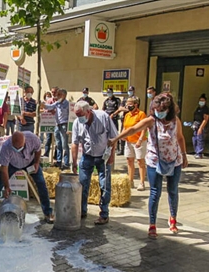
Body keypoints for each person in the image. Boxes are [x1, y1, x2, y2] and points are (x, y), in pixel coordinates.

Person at [109, 93, 188, 239]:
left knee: (172, 191)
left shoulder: (175, 121)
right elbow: (133, 129)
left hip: (174, 160)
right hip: (154, 160)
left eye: (162, 109)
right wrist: (116, 139)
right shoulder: (151, 120)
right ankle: (152, 224)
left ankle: (173, 219)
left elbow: (180, 138)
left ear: (169, 109)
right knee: (154, 192)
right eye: (156, 109)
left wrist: (184, 155)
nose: (159, 112)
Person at [0, 131, 55, 223]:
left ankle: (48, 213)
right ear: (11, 142)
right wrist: (7, 187)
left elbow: (38, 150)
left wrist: (36, 162)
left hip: (30, 162)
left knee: (41, 184)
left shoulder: (33, 139)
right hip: (13, 164)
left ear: (25, 141)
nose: (17, 149)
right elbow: (4, 169)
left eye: (20, 147)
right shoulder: (6, 147)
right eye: (15, 147)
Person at [71, 101, 117, 225]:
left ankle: (104, 214)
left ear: (89, 112)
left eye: (81, 115)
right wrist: (74, 162)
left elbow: (113, 137)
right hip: (87, 156)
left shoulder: (103, 117)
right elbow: (74, 143)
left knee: (104, 186)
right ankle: (82, 210)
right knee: (82, 184)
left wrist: (112, 155)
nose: (79, 118)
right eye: (77, 115)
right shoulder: (77, 123)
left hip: (103, 157)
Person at [121, 97, 147, 191]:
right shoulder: (127, 115)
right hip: (129, 141)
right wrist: (122, 136)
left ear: (136, 104)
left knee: (140, 161)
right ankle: (130, 181)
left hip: (139, 141)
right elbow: (125, 127)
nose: (128, 106)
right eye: (127, 104)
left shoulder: (141, 114)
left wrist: (140, 139)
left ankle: (142, 182)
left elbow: (144, 128)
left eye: (130, 104)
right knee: (129, 160)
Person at [42, 88, 70, 170]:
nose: (57, 96)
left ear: (64, 95)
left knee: (65, 145)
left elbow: (71, 115)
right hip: (57, 125)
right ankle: (58, 161)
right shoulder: (57, 103)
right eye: (57, 95)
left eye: (59, 94)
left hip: (64, 125)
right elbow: (50, 107)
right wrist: (42, 105)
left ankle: (66, 163)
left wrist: (69, 127)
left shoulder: (67, 104)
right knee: (58, 144)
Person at [103, 88, 122, 154]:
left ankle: (118, 148)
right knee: (107, 133)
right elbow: (103, 109)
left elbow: (119, 109)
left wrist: (113, 114)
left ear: (112, 92)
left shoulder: (117, 100)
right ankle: (107, 147)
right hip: (107, 119)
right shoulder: (106, 101)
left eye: (110, 92)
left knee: (115, 133)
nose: (109, 93)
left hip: (114, 119)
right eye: (108, 92)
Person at [192, 93, 209, 159]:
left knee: (200, 139)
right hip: (196, 125)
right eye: (200, 100)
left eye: (203, 101)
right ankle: (196, 151)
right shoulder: (198, 108)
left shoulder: (205, 109)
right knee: (195, 139)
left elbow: (206, 119)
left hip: (201, 125)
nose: (201, 102)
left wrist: (201, 128)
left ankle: (199, 153)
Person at [43, 87, 58, 158]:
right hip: (49, 122)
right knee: (48, 139)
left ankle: (56, 156)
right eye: (52, 92)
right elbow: (45, 110)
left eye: (55, 92)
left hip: (57, 123)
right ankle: (46, 154)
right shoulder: (49, 101)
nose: (53, 93)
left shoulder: (59, 101)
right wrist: (50, 111)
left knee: (57, 141)